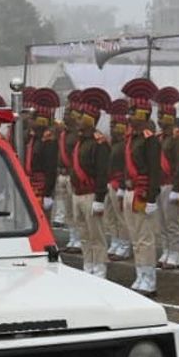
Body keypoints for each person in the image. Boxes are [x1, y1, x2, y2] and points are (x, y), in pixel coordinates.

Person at [121, 78, 162, 296]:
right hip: (129, 190)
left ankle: (149, 279)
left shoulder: (149, 139)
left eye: (132, 112)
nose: (128, 117)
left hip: (142, 192)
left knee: (145, 238)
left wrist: (152, 198)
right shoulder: (132, 137)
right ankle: (140, 274)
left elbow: (154, 170)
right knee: (135, 237)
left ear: (142, 115)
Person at [70, 88, 112, 278]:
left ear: (89, 119)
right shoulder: (81, 140)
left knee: (97, 235)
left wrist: (100, 198)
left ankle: (100, 267)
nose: (77, 120)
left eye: (80, 117)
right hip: (77, 194)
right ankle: (88, 264)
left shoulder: (99, 142)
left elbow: (103, 173)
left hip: (91, 194)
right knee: (84, 234)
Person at [154, 87, 179, 270]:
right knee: (161, 221)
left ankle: (175, 253)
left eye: (162, 115)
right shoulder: (159, 137)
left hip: (170, 184)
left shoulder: (176, 137)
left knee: (172, 221)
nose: (159, 119)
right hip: (159, 184)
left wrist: (176, 188)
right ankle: (165, 250)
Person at [24, 88, 59, 217]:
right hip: (28, 183)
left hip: (41, 186)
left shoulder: (48, 139)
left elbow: (51, 169)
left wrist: (48, 194)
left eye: (32, 118)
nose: (29, 121)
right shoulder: (31, 136)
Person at [104, 99, 132, 261]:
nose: (111, 127)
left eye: (114, 124)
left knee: (121, 218)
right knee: (111, 216)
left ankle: (125, 245)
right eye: (111, 123)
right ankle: (115, 241)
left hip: (118, 183)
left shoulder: (124, 144)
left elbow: (125, 167)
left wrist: (121, 186)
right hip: (109, 183)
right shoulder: (112, 143)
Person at [55, 91, 82, 249]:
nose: (64, 115)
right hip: (62, 174)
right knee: (68, 210)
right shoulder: (63, 133)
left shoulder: (77, 135)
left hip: (73, 175)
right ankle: (73, 237)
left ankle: (78, 239)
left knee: (76, 210)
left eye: (67, 113)